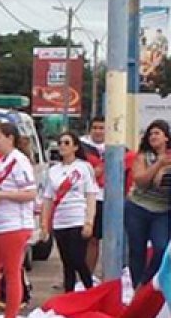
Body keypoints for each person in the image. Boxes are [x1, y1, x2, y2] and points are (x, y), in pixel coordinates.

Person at [0, 122, 37, 318]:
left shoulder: (19, 161)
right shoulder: (2, 160)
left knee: (11, 272)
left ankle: (10, 314)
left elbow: (30, 193)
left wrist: (3, 196)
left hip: (15, 224)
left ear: (10, 138)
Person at [40, 131, 97, 292]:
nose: (62, 146)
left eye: (67, 143)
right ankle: (69, 295)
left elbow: (91, 195)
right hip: (60, 221)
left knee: (77, 258)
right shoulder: (53, 171)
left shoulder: (83, 168)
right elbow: (48, 199)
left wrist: (89, 221)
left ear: (75, 147)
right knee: (67, 263)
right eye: (60, 143)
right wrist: (45, 224)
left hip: (78, 218)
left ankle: (90, 289)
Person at [126, 119, 171, 287]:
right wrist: (159, 164)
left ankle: (147, 282)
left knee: (161, 247)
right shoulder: (143, 156)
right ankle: (137, 285)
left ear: (166, 138)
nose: (153, 136)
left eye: (157, 133)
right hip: (138, 208)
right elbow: (141, 181)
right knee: (137, 250)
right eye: (150, 133)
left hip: (163, 211)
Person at [80, 116, 106, 275]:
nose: (98, 131)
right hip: (84, 199)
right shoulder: (81, 147)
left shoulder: (118, 148)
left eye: (101, 128)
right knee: (78, 241)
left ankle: (89, 275)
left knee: (94, 240)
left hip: (105, 199)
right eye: (95, 127)